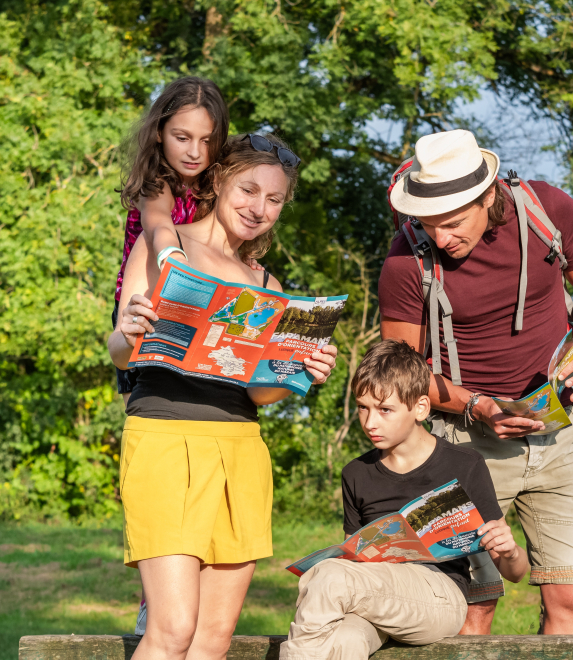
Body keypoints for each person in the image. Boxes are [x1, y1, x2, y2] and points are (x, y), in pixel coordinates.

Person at [108, 133, 335, 660]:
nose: (259, 209)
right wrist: (133, 331)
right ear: (218, 181)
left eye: (274, 200)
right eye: (249, 190)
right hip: (164, 439)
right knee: (173, 629)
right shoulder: (168, 244)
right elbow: (121, 353)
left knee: (213, 639)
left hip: (241, 450)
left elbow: (260, 392)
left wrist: (302, 370)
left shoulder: (268, 281)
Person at [380, 129, 573, 634]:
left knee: (572, 597)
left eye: (453, 222)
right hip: (465, 446)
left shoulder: (549, 210)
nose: (441, 238)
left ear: (489, 195)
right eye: (429, 224)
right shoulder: (405, 261)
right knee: (471, 605)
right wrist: (476, 406)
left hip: (559, 434)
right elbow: (399, 376)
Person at [280, 340, 527, 659]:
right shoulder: (356, 473)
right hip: (374, 597)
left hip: (440, 597)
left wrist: (509, 550)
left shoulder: (464, 465)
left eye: (385, 410)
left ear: (420, 408)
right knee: (345, 640)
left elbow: (516, 572)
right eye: (362, 407)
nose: (370, 422)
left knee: (328, 577)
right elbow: (354, 561)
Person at [114, 76, 265, 407]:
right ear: (158, 132)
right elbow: (158, 225)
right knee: (148, 404)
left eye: (207, 140)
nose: (195, 152)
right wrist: (173, 258)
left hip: (198, 304)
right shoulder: (157, 182)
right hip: (143, 307)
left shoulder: (215, 183)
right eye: (182, 138)